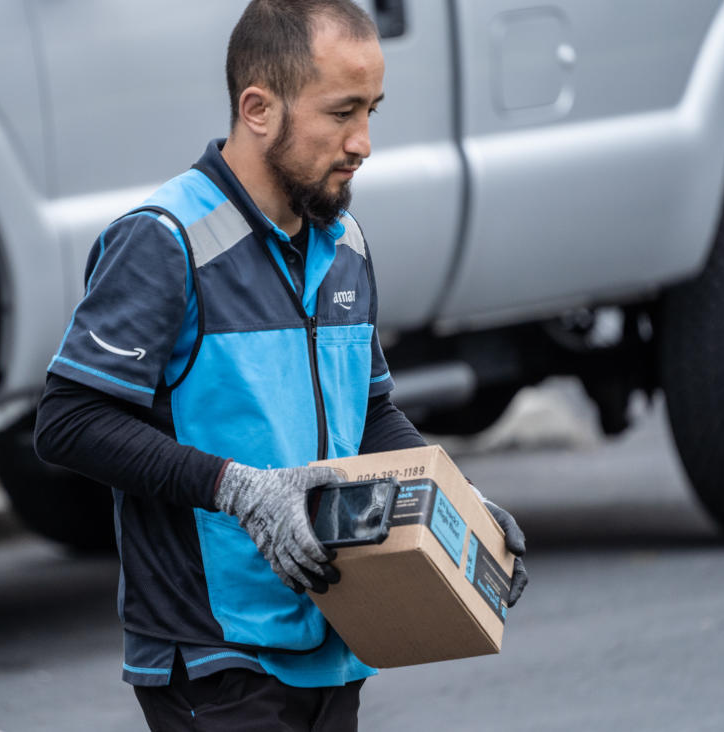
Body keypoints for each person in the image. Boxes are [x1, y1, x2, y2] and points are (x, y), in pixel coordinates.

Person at [34, 1, 527, 729]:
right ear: (258, 109)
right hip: (213, 655)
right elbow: (69, 421)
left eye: (373, 112)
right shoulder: (165, 241)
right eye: (342, 113)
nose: (363, 142)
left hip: (337, 636)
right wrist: (241, 492)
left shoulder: (345, 243)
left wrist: (457, 505)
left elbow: (371, 414)